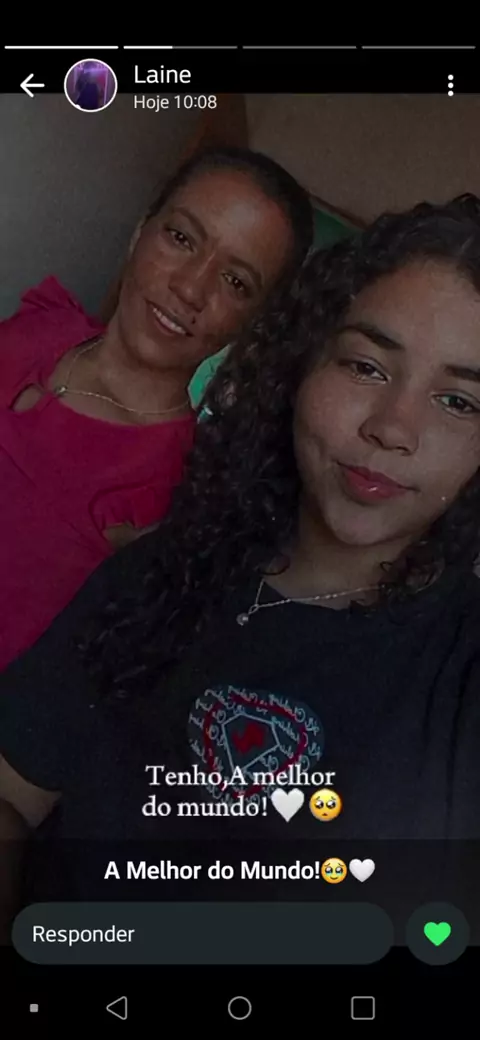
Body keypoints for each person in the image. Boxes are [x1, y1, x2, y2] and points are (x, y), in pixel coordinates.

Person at [2, 194, 480, 927]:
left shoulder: (459, 669)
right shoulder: (166, 565)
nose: (393, 428)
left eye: (459, 403)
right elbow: (12, 791)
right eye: (366, 366)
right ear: (302, 369)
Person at [0, 146, 313, 670]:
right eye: (181, 238)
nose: (190, 287)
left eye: (236, 282)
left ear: (254, 323)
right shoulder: (42, 326)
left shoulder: (166, 495)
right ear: (140, 231)